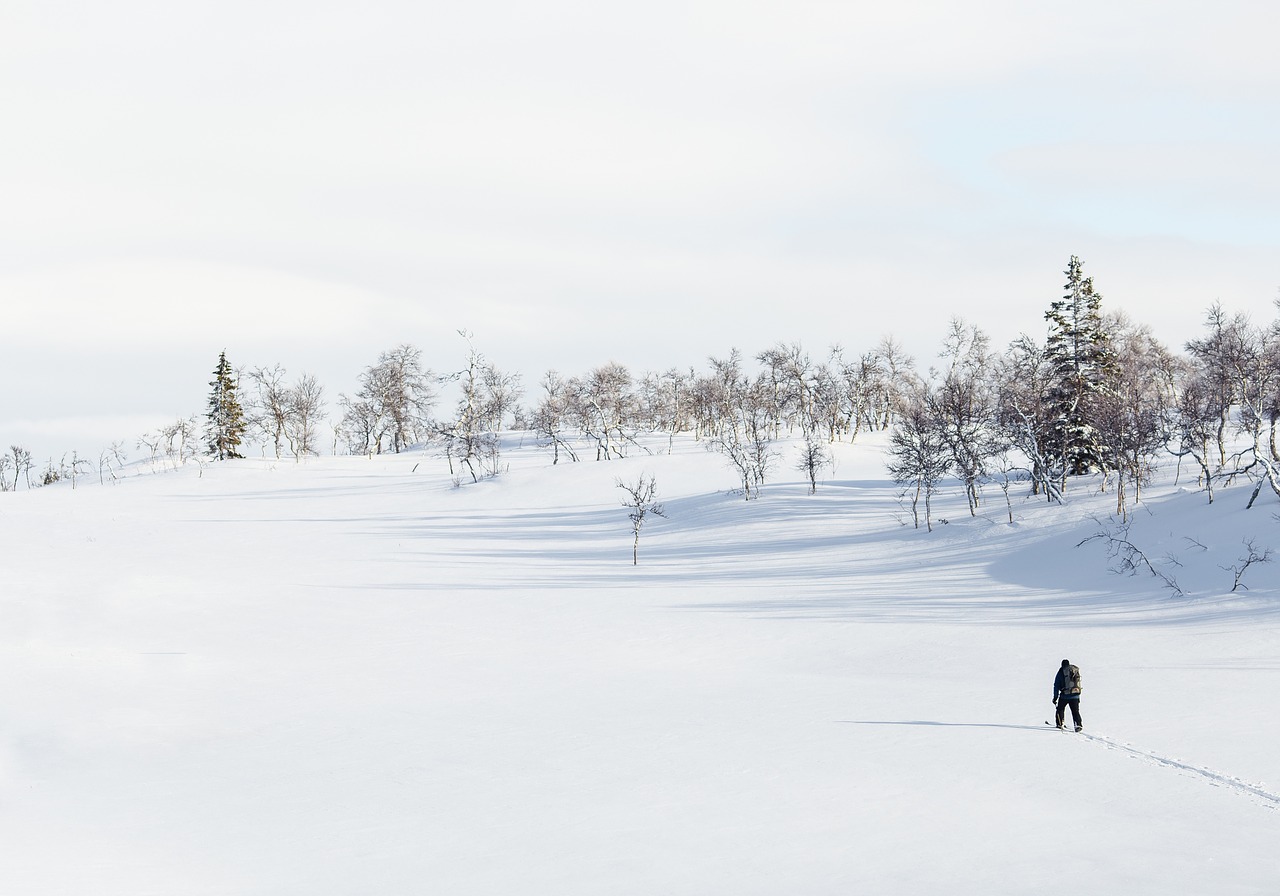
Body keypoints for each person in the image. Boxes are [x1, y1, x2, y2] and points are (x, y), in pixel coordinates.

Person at [1052, 659, 1083, 731]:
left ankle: (1060, 723)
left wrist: (1055, 697)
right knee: (1075, 711)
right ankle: (1078, 725)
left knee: (1060, 709)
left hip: (1064, 695)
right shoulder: (1073, 670)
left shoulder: (1061, 672)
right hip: (1075, 695)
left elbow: (1056, 685)